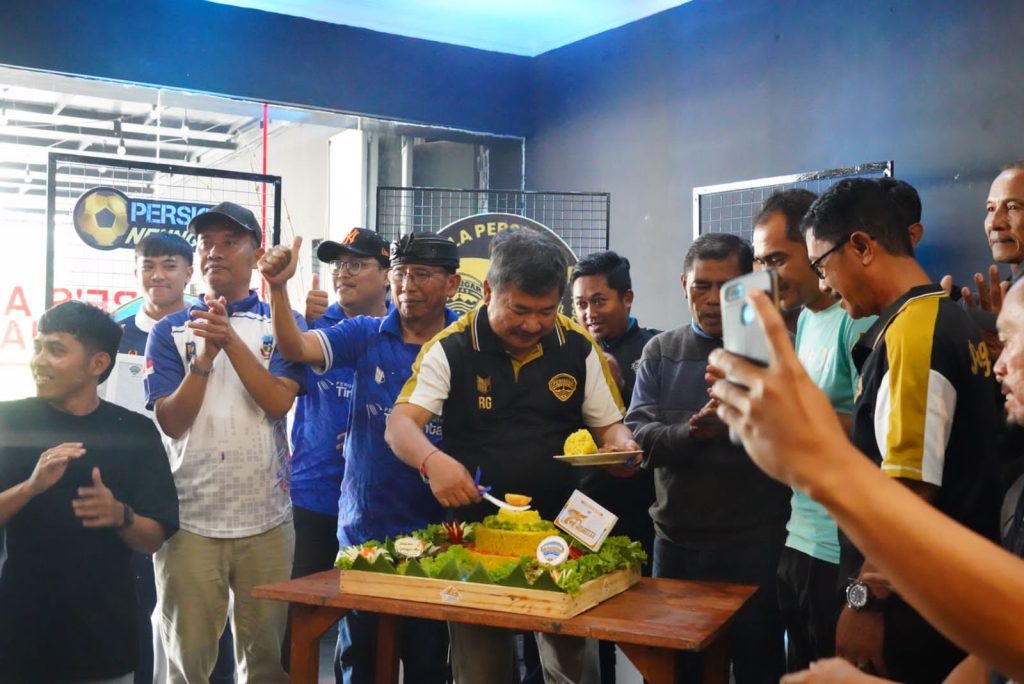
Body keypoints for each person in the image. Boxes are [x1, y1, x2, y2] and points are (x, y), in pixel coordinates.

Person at [707, 285, 1024, 683]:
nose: (998, 365)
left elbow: (913, 487)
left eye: (1011, 340)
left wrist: (819, 463)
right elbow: (995, 657)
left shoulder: (916, 328)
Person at [385, 228, 637, 684]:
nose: (533, 325)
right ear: (487, 291)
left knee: (572, 669)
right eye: (519, 310)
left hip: (564, 531)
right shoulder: (451, 347)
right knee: (482, 671)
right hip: (477, 533)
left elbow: (609, 427)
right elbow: (400, 425)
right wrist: (433, 462)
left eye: (546, 311)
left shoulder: (578, 346)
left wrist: (620, 447)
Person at [801, 178, 1002, 681]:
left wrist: (866, 603)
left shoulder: (914, 333)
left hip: (915, 613)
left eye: (821, 266)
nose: (823, 284)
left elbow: (909, 491)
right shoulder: (947, 318)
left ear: (862, 247)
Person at [259, 230, 457, 684]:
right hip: (365, 530)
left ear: (451, 283)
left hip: (441, 533)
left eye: (422, 275)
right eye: (402, 274)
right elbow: (296, 348)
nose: (408, 285)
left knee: (428, 662)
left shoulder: (464, 343)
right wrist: (277, 289)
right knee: (360, 660)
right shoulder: (366, 333)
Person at [145, 201, 305, 683]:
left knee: (264, 662)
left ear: (256, 254)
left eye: (229, 242)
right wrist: (203, 361)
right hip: (189, 520)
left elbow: (278, 402)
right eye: (206, 243)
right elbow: (172, 423)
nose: (214, 252)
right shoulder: (170, 329)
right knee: (186, 661)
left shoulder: (282, 323)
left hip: (267, 520)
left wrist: (230, 341)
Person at [626, 232, 789, 683]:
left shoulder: (779, 350)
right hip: (677, 546)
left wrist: (746, 421)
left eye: (727, 287)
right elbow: (637, 437)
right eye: (702, 286)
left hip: (757, 546)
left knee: (759, 667)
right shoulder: (661, 351)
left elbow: (799, 438)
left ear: (750, 286)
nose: (713, 299)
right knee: (677, 672)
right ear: (684, 285)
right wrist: (692, 433)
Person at [0, 301, 178, 682]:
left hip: (105, 640)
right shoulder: (8, 421)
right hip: (18, 636)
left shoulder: (134, 432)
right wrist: (30, 488)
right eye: (38, 347)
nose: (39, 361)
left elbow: (153, 539)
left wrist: (119, 515)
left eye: (56, 349)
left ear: (98, 364)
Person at [752, 189, 876, 672]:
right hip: (799, 536)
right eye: (760, 262)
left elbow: (872, 436)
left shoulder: (857, 320)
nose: (767, 275)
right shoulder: (805, 318)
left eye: (777, 259)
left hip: (842, 549)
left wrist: (790, 412)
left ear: (814, 245)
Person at [99, 233, 194, 684]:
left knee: (192, 603)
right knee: (135, 599)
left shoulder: (206, 326)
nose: (158, 275)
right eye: (148, 265)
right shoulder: (114, 332)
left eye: (169, 265)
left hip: (191, 479)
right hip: (129, 486)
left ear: (189, 272)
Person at [570, 249, 657, 684]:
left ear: (627, 298)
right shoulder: (565, 352)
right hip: (582, 508)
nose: (589, 312)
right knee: (585, 623)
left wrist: (619, 389)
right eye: (580, 304)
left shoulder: (657, 349)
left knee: (650, 628)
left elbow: (659, 428)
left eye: (599, 301)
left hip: (643, 509)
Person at [289, 228, 390, 583]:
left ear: (387, 274)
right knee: (303, 606)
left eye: (356, 264)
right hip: (314, 493)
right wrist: (301, 323)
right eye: (338, 265)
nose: (343, 273)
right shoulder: (311, 326)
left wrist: (371, 435)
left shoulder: (406, 329)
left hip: (379, 497)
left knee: (370, 605)